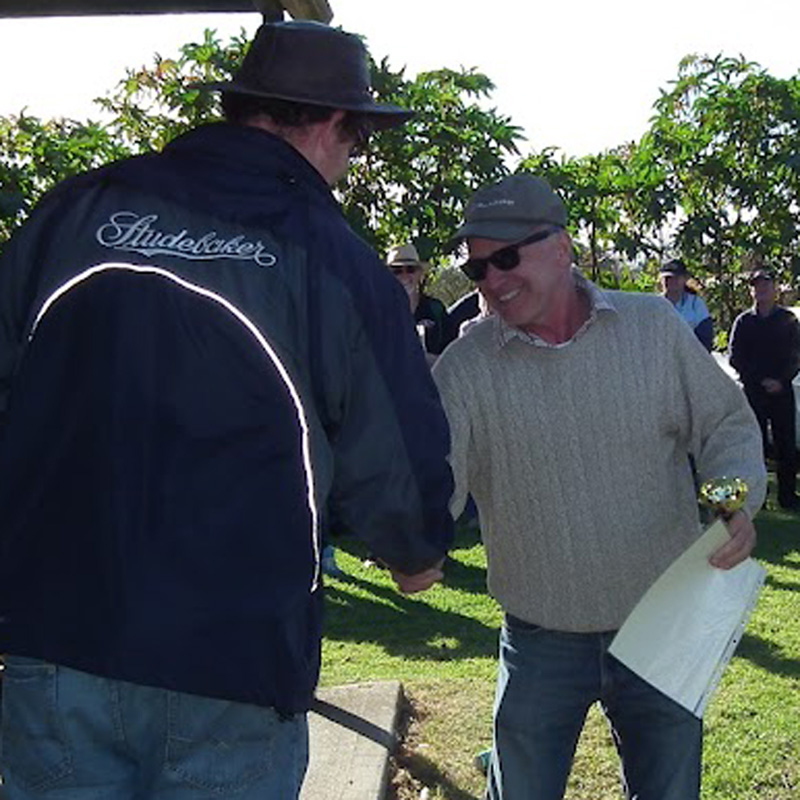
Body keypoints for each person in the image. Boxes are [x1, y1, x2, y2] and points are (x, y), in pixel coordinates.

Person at [0, 20, 453, 800]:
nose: (352, 159)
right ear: (329, 123)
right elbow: (393, 441)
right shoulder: (330, 255)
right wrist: (415, 552)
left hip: (55, 641)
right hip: (231, 657)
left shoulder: (72, 211)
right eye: (358, 138)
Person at [431, 173, 766, 800]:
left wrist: (729, 502)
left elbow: (724, 423)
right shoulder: (465, 369)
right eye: (477, 268)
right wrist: (411, 538)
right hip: (539, 639)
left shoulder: (652, 327)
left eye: (507, 258)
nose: (492, 280)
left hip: (662, 621)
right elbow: (433, 486)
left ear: (561, 247)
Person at [729, 267, 800, 509]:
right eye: (756, 286)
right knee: (753, 445)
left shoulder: (788, 320)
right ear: (751, 291)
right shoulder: (744, 321)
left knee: (785, 445)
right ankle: (756, 497)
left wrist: (781, 380)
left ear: (775, 289)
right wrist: (758, 380)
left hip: (782, 391)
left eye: (766, 285)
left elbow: (796, 356)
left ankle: (787, 496)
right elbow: (735, 357)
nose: (761, 290)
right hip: (754, 392)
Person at [387, 243, 453, 357]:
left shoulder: (435, 309)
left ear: (419, 273)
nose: (404, 276)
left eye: (410, 269)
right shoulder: (378, 311)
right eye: (397, 271)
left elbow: (451, 352)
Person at [659, 258, 714, 351]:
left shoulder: (696, 305)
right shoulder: (655, 304)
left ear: (685, 278)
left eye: (676, 278)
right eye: (667, 278)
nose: (672, 281)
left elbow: (705, 340)